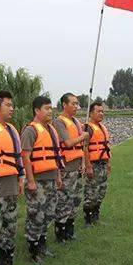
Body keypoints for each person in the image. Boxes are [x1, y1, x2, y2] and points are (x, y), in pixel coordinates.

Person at [20, 96, 63, 264]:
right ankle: (33, 249)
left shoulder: (51, 130)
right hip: (38, 180)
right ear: (37, 110)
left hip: (51, 178)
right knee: (36, 214)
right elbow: (26, 156)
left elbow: (56, 155)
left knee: (49, 213)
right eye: (46, 108)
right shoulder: (31, 130)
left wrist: (58, 175)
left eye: (51, 108)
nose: (50, 111)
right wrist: (30, 181)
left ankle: (42, 244)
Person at [0, 91, 23, 265]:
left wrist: (21, 177)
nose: (12, 108)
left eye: (12, 105)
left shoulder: (11, 128)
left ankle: (6, 263)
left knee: (10, 225)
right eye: (8, 105)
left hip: (10, 182)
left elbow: (17, 156)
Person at [52, 93, 89, 242]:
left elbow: (81, 146)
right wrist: (84, 135)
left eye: (77, 104)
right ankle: (60, 233)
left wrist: (84, 163)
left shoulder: (75, 122)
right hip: (66, 169)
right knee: (64, 201)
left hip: (77, 167)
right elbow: (67, 143)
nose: (76, 106)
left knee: (75, 200)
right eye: (73, 103)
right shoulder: (59, 122)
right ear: (64, 105)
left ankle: (70, 229)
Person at [83, 102, 111, 226]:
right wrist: (88, 166)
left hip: (103, 164)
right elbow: (85, 148)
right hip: (94, 164)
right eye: (98, 111)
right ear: (91, 113)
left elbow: (106, 147)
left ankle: (96, 216)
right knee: (91, 192)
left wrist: (108, 163)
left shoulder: (102, 127)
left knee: (102, 191)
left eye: (102, 111)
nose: (101, 113)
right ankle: (88, 219)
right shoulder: (88, 128)